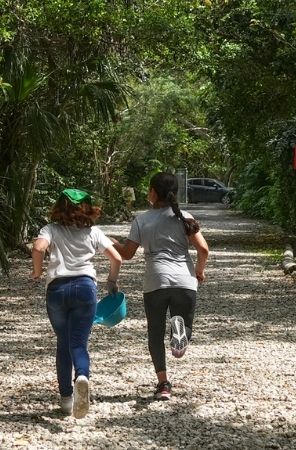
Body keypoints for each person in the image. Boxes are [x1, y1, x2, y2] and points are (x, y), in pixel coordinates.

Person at [114, 172, 210, 400]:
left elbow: (127, 254)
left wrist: (111, 242)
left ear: (153, 193)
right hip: (184, 281)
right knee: (184, 325)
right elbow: (204, 250)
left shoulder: (141, 220)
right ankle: (180, 338)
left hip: (156, 280)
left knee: (155, 333)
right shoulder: (185, 217)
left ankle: (163, 384)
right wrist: (199, 271)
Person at [29, 188, 122, 419]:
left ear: (59, 207)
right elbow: (117, 258)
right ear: (87, 209)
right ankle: (82, 376)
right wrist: (111, 281)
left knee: (63, 342)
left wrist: (37, 272)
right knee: (78, 343)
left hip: (57, 290)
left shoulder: (50, 229)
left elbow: (38, 248)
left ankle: (66, 399)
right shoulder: (94, 232)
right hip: (85, 288)